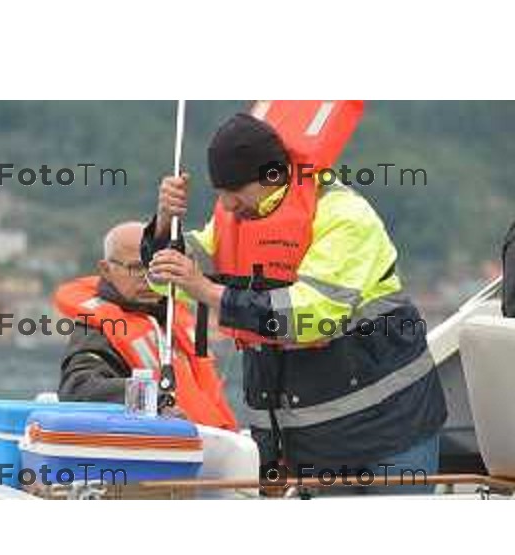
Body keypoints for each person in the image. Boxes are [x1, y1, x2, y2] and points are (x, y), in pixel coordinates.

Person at [141, 112, 448, 494]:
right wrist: (162, 226)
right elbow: (166, 277)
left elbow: (310, 318)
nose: (227, 205)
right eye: (220, 192)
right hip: (311, 444)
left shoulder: (344, 218)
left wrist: (206, 290)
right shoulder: (237, 219)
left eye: (235, 191)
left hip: (388, 430)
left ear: (271, 178)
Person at [55, 221, 237, 430]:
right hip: (157, 446)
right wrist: (154, 402)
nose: (148, 279)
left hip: (210, 443)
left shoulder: (173, 316)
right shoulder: (98, 327)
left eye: (154, 267)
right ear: (106, 269)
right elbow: (78, 388)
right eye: (136, 268)